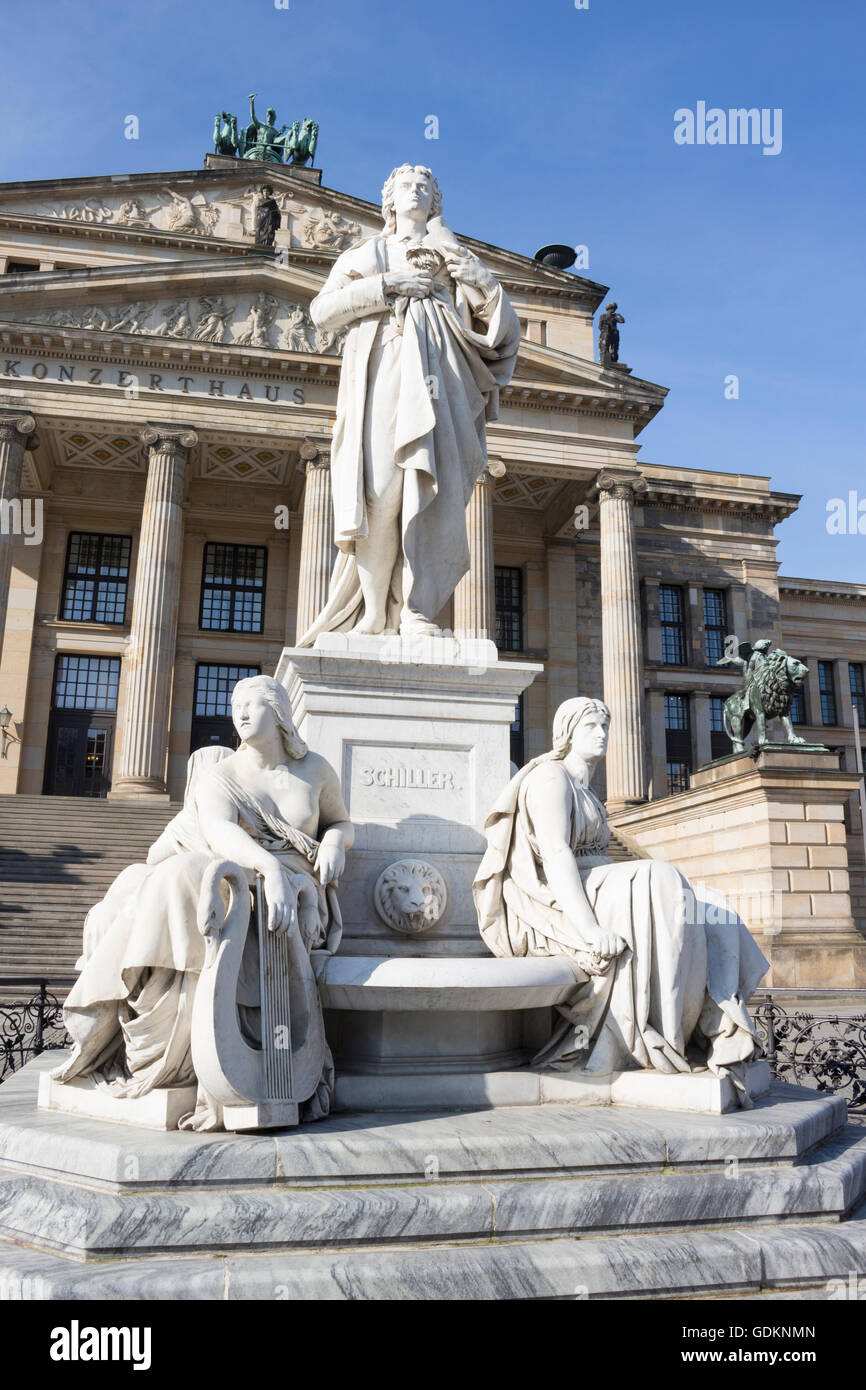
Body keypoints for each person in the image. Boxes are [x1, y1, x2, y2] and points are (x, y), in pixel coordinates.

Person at [52, 675, 353, 1129]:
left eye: (253, 704)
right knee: (175, 877)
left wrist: (333, 845)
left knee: (181, 878)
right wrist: (268, 869)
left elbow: (341, 822)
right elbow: (219, 833)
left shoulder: (315, 769)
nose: (242, 713)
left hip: (301, 889)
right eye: (237, 705)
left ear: (280, 712)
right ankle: (160, 1039)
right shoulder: (224, 776)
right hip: (245, 873)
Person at [473, 697, 768, 1100]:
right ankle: (660, 1031)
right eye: (591, 726)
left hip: (599, 883)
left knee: (708, 902)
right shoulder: (550, 779)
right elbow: (557, 855)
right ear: (566, 733)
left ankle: (714, 1024)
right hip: (558, 897)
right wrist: (591, 930)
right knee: (659, 876)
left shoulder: (588, 792)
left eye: (605, 727)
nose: (602, 735)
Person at [299, 163, 520, 641]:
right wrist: (389, 285)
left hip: (444, 382)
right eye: (407, 186)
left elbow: (499, 333)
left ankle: (418, 612)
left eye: (425, 187)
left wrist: (480, 279)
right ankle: (375, 612)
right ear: (390, 200)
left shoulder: (453, 256)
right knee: (380, 493)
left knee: (432, 494)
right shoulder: (369, 251)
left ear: (435, 202)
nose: (416, 191)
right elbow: (322, 310)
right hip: (384, 376)